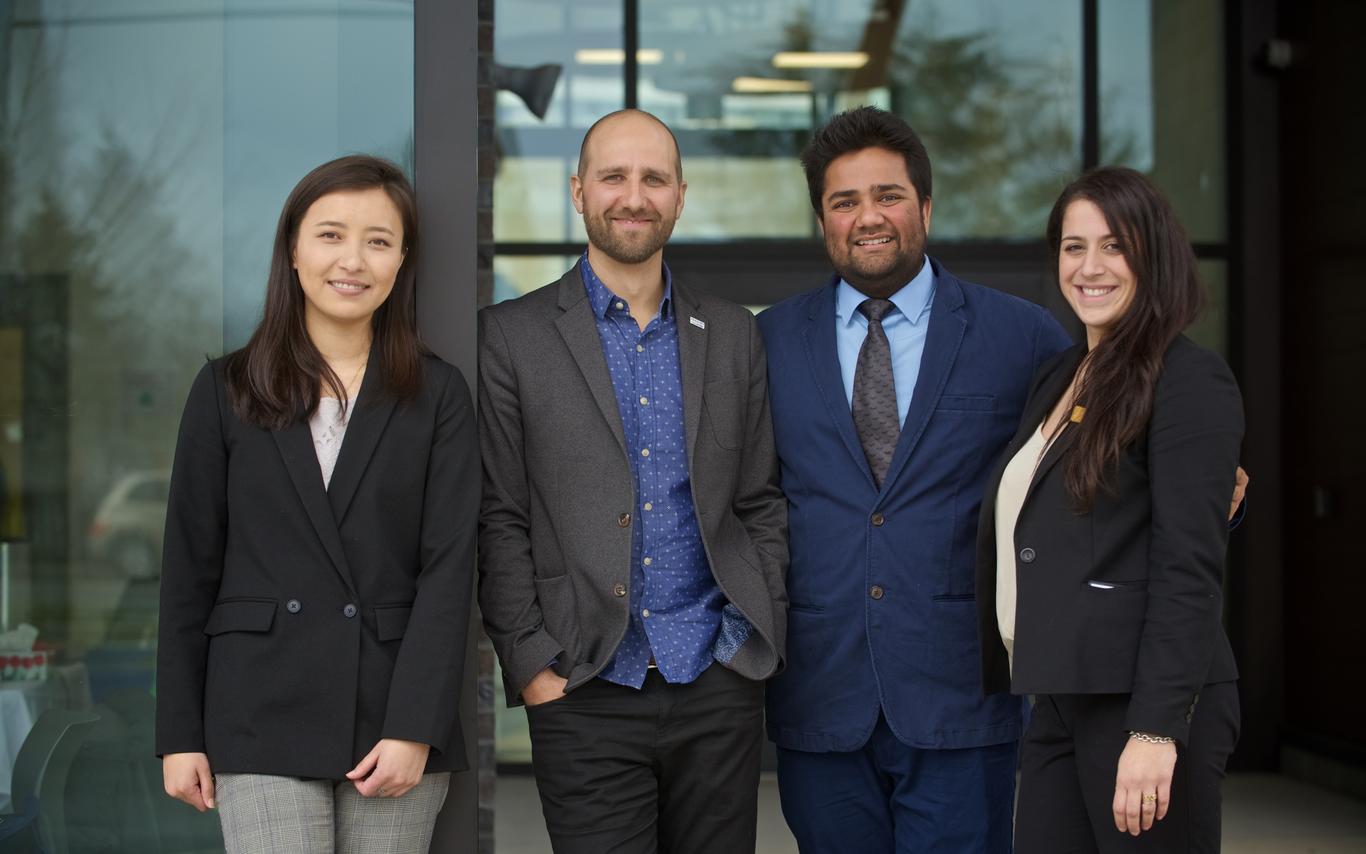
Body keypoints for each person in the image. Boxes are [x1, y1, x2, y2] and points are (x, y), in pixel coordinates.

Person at [756, 105, 1071, 852]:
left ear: (925, 207)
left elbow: (1091, 467)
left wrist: (1205, 487)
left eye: (888, 195)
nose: (868, 217)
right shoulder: (765, 341)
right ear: (822, 221)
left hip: (963, 696)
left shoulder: (1021, 336)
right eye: (844, 201)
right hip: (821, 694)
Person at [477, 109, 788, 854]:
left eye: (654, 178)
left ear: (680, 195)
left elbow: (760, 501)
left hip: (716, 680)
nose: (634, 196)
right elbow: (499, 515)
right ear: (578, 191)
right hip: (582, 684)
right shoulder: (512, 336)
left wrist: (750, 634)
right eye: (613, 176)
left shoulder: (734, 333)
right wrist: (532, 662)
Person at [156, 155, 477, 854]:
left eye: (378, 241)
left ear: (401, 262)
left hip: (392, 717)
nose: (352, 261)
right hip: (257, 711)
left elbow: (449, 572)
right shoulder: (225, 389)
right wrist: (179, 734)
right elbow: (187, 570)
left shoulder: (437, 395)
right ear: (294, 251)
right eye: (331, 235)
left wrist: (415, 726)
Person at [976, 166, 1242, 852]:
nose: (1090, 267)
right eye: (1074, 246)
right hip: (1061, 695)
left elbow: (1188, 567)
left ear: (1154, 255)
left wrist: (1156, 729)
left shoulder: (1187, 378)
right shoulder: (1061, 375)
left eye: (1115, 245)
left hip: (1142, 703)